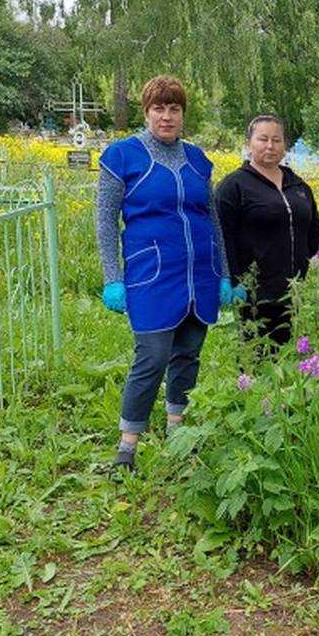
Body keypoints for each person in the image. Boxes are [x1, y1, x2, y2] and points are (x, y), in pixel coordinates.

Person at [96, 75, 238, 472]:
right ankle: (127, 446)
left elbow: (213, 220)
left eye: (174, 108)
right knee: (152, 358)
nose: (167, 116)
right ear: (147, 113)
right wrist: (112, 277)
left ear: (183, 114)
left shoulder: (197, 160)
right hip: (151, 275)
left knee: (188, 354)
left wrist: (224, 273)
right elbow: (105, 222)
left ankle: (178, 430)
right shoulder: (122, 157)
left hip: (199, 275)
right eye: (159, 108)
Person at [216, 115, 319, 351]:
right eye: (263, 139)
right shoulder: (233, 187)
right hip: (254, 296)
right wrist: (230, 279)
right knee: (259, 363)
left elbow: (317, 233)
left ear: (285, 146)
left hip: (298, 293)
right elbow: (223, 237)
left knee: (297, 365)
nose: (270, 146)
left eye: (277, 140)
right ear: (249, 143)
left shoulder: (299, 186)